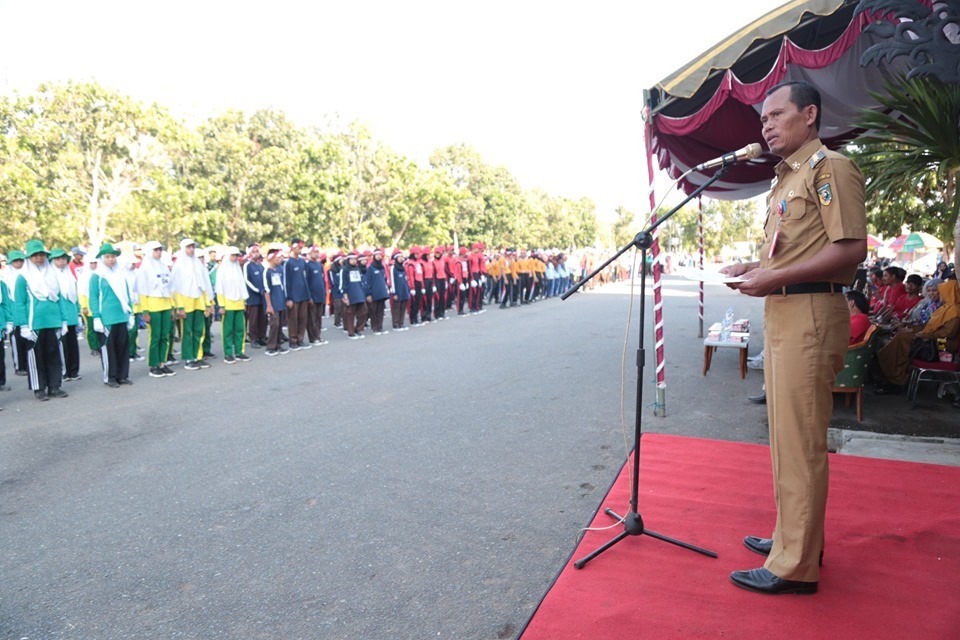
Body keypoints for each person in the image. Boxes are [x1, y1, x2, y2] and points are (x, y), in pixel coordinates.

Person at [721, 81, 867, 595]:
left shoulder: (831, 168)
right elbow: (791, 251)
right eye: (763, 117)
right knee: (785, 437)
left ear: (809, 115)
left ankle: (795, 565)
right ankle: (793, 536)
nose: (766, 124)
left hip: (808, 311)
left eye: (776, 114)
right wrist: (756, 268)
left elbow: (850, 249)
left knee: (801, 441)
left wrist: (774, 277)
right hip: (785, 311)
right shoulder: (785, 179)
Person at [875, 280, 959, 392]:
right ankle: (893, 375)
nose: (938, 294)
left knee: (903, 338)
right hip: (932, 339)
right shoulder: (946, 308)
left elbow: (948, 333)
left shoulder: (955, 310)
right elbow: (928, 325)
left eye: (940, 291)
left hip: (942, 345)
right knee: (902, 336)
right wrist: (915, 331)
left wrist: (923, 334)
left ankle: (895, 378)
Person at [14, 240, 71, 400]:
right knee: (36, 357)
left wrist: (64, 321)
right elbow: (20, 302)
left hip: (53, 322)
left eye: (42, 255)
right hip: (34, 324)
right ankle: (39, 388)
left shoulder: (52, 274)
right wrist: (23, 325)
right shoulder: (23, 277)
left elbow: (59, 298)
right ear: (29, 257)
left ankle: (54, 386)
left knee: (54, 355)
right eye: (35, 255)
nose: (39, 258)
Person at [90, 243, 135, 388]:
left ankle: (123, 376)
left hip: (121, 316)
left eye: (113, 256)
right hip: (106, 319)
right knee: (109, 350)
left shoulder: (120, 274)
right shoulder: (97, 276)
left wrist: (131, 313)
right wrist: (96, 317)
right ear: (102, 258)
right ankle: (110, 377)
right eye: (108, 257)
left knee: (122, 347)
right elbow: (94, 298)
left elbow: (127, 295)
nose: (111, 259)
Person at [170, 239, 214, 371]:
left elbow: (205, 285)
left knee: (199, 331)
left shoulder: (199, 265)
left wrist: (208, 303)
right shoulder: (178, 265)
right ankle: (189, 358)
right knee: (187, 332)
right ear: (183, 248)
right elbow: (175, 288)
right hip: (185, 302)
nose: (191, 249)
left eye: (193, 247)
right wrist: (179, 307)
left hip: (199, 301)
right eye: (188, 247)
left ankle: (198, 356)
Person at [135, 241, 176, 378]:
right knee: (155, 336)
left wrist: (172, 307)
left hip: (166, 305)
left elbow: (169, 287)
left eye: (160, 250)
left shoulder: (163, 266)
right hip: (153, 306)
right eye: (156, 250)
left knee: (165, 336)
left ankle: (163, 363)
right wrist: (145, 311)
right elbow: (142, 291)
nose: (159, 252)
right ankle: (154, 365)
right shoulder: (145, 268)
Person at [214, 247, 251, 364]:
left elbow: (241, 286)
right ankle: (228, 353)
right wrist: (221, 305)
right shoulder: (222, 269)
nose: (235, 258)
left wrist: (244, 301)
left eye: (237, 255)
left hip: (239, 303)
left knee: (240, 329)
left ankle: (239, 352)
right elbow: (219, 288)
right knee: (228, 331)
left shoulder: (237, 269)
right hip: (227, 304)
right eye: (233, 255)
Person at [50, 248, 82, 381]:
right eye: (58, 259)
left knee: (72, 344)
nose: (61, 261)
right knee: (61, 345)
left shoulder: (69, 274)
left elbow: (75, 295)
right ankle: (62, 371)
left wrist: (78, 313)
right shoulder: (51, 275)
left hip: (71, 314)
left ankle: (73, 370)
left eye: (63, 258)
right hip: (59, 317)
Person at [3, 250, 29, 375]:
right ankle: (19, 366)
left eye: (21, 260)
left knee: (27, 342)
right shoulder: (6, 277)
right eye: (16, 261)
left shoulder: (26, 274)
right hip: (13, 315)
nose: (19, 263)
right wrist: (10, 318)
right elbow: (6, 300)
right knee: (16, 342)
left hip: (25, 315)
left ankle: (28, 364)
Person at [284, 238, 311, 351]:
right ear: (292, 247)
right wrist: (288, 298)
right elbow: (286, 281)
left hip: (303, 295)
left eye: (301, 247)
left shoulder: (302, 262)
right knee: (293, 320)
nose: (300, 249)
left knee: (303, 319)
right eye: (298, 247)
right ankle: (293, 341)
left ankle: (300, 339)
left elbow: (306, 279)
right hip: (293, 297)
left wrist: (308, 295)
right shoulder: (288, 263)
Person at [262, 247, 288, 356]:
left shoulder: (280, 269)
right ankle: (271, 346)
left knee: (280, 324)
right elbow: (266, 290)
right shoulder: (266, 272)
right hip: (273, 303)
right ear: (271, 258)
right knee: (274, 324)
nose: (280, 259)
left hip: (281, 301)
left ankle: (278, 344)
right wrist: (269, 305)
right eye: (278, 257)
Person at [243, 244, 268, 348]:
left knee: (263, 318)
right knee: (253, 318)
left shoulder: (261, 266)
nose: (256, 253)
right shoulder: (247, 265)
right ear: (249, 253)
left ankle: (261, 337)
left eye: (257, 251)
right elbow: (246, 280)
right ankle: (253, 338)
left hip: (262, 296)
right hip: (253, 296)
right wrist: (257, 290)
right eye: (253, 252)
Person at [339, 251, 368, 339]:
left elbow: (360, 282)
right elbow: (342, 284)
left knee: (364, 311)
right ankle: (350, 332)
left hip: (359, 294)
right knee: (350, 314)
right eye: (352, 259)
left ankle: (358, 329)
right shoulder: (344, 270)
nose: (354, 261)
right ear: (348, 260)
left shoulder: (357, 269)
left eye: (355, 259)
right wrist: (345, 296)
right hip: (350, 295)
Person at [362, 248, 390, 335]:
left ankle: (380, 327)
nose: (379, 256)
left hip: (381, 292)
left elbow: (383, 279)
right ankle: (375, 327)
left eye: (380, 255)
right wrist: (368, 294)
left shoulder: (381, 267)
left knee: (381, 311)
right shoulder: (370, 268)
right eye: (377, 255)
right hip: (374, 293)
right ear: (374, 256)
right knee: (374, 311)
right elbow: (367, 281)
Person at [305, 246, 329, 346]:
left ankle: (318, 336)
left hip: (320, 295)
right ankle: (313, 338)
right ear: (310, 253)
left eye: (317, 252)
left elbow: (322, 280)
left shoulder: (319, 265)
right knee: (312, 318)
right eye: (314, 252)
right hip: (312, 296)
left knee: (319, 317)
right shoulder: (307, 265)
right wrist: (309, 296)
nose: (316, 254)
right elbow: (306, 282)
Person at [77, 254, 99, 356]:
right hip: (88, 306)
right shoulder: (84, 276)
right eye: (92, 263)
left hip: (99, 306)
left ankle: (100, 346)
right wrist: (84, 306)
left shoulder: (100, 274)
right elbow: (81, 292)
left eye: (95, 263)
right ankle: (93, 347)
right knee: (91, 328)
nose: (94, 265)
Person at [389, 250, 410, 331]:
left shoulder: (403, 268)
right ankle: (396, 324)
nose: (401, 259)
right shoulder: (393, 268)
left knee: (403, 307)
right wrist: (394, 292)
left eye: (402, 257)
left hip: (404, 290)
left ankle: (401, 323)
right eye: (399, 257)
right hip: (397, 291)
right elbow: (392, 281)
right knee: (397, 308)